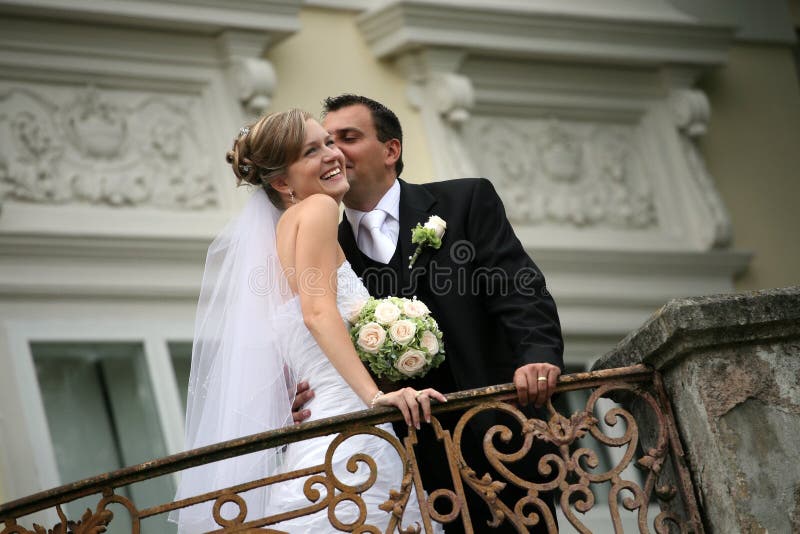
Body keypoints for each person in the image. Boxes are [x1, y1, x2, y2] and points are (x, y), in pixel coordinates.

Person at [292, 95, 565, 533]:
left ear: (390, 150)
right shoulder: (327, 248)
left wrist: (538, 354)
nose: (335, 151)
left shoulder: (464, 201)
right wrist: (301, 394)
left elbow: (518, 286)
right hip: (410, 465)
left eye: (348, 138)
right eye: (327, 141)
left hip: (503, 432)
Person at [170, 109, 446, 533]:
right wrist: (376, 397)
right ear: (282, 182)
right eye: (311, 151)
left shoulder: (283, 233)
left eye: (329, 143)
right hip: (351, 435)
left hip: (325, 433)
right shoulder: (317, 209)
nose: (331, 155)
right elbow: (317, 313)